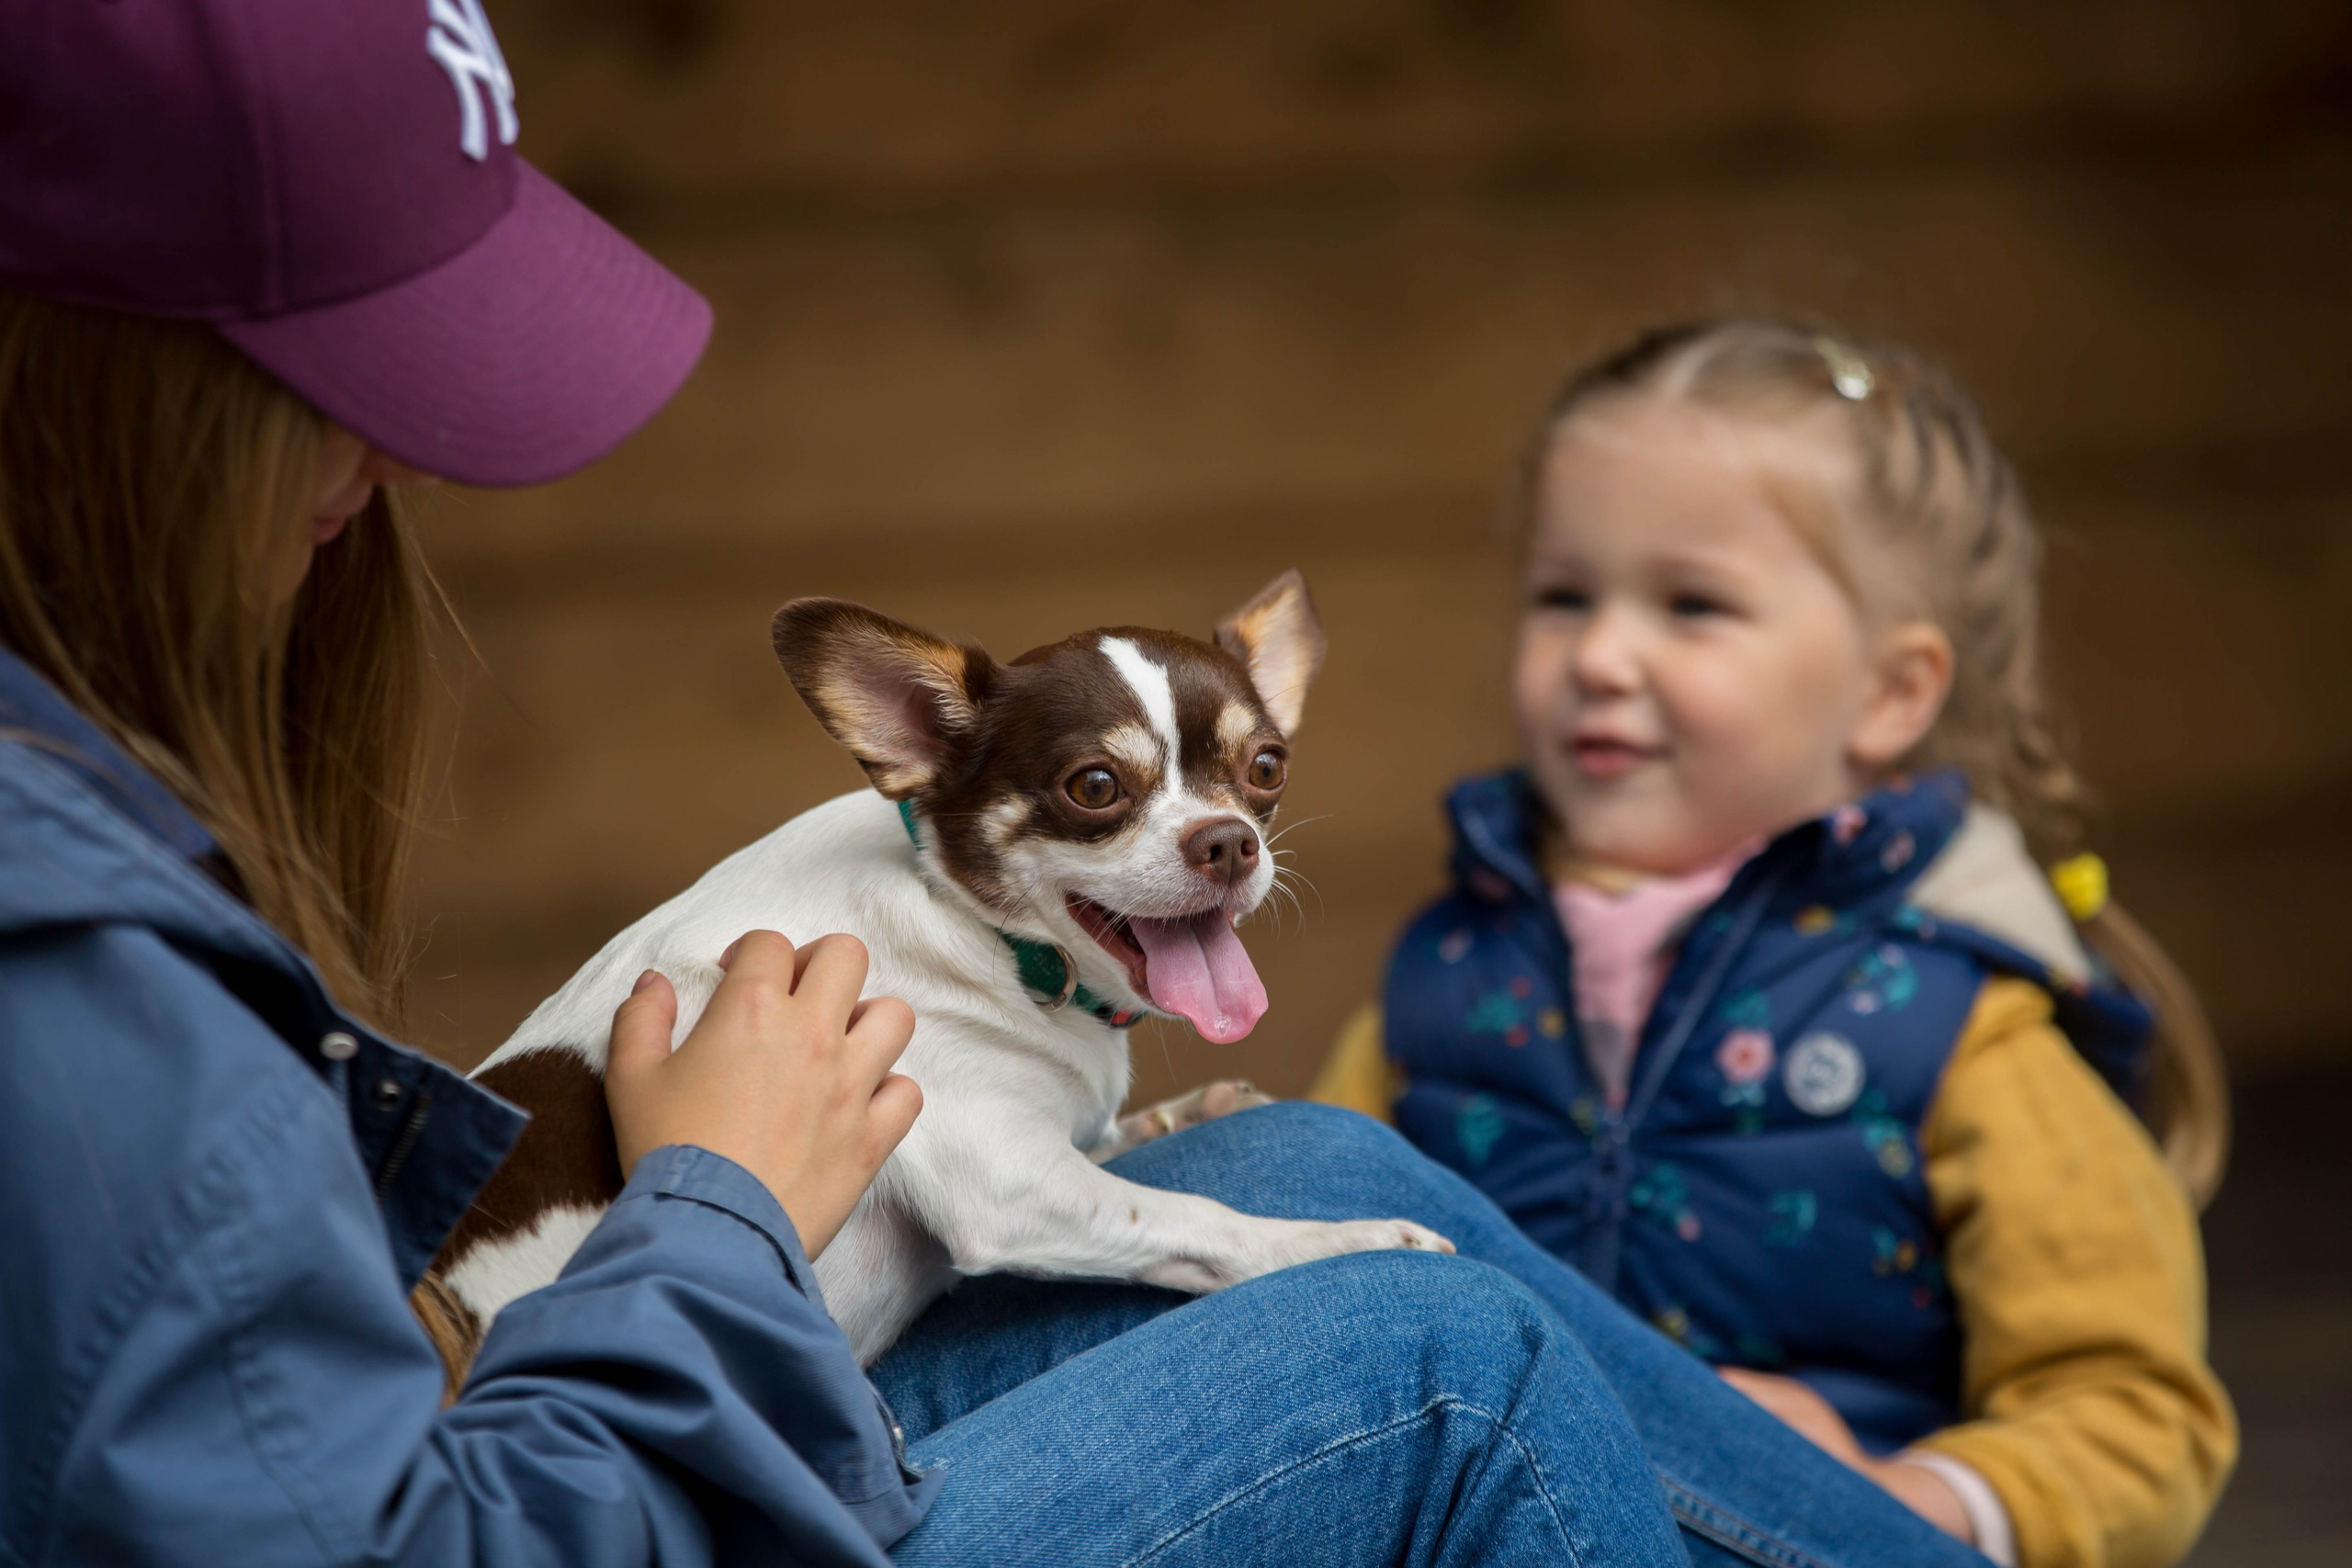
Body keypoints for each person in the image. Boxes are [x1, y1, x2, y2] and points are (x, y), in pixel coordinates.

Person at [0, 5, 1757, 1565]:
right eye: (335, 381)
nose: (389, 469)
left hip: (597, 1411)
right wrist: (720, 1201)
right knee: (1446, 1358)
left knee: (1301, 1159)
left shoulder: (91, 876)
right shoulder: (71, 990)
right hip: (588, 1452)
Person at [1306, 319, 2239, 1568]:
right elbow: (1309, 1277)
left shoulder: (1961, 1023)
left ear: (1890, 692)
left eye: (1692, 605)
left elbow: (2138, 1414)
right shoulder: (1446, 981)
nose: (1600, 655)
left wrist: (1931, 1498)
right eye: (1563, 595)